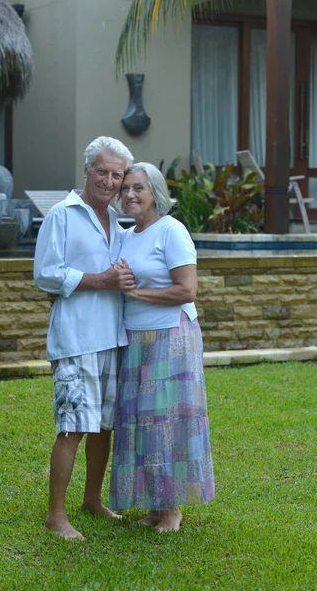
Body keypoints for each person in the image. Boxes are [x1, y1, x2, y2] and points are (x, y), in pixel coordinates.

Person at [34, 136, 135, 540]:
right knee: (73, 425)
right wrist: (100, 280)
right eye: (102, 172)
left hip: (112, 336)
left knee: (103, 426)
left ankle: (92, 499)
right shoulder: (62, 214)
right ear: (87, 170)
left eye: (117, 175)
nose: (109, 182)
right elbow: (44, 273)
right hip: (76, 339)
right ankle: (55, 515)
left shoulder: (118, 222)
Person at [109, 162, 215, 532]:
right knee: (141, 421)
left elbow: (187, 289)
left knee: (165, 419)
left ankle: (172, 510)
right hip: (135, 339)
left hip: (171, 337)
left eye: (139, 187)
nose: (130, 195)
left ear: (156, 192)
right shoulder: (125, 235)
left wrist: (137, 292)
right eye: (125, 189)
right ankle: (155, 506)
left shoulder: (172, 230)